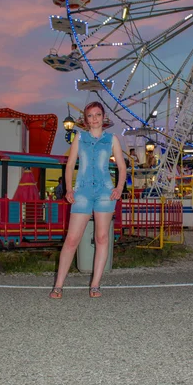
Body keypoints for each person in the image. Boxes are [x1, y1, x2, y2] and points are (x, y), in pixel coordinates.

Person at [49, 101, 126, 299]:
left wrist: (118, 188)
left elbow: (122, 167)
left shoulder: (112, 139)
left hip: (104, 193)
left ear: (104, 116)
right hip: (82, 192)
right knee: (72, 239)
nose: (94, 119)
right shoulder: (79, 138)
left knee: (102, 238)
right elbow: (70, 165)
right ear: (86, 119)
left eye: (97, 115)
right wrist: (68, 188)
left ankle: (95, 284)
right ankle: (58, 285)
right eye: (90, 116)